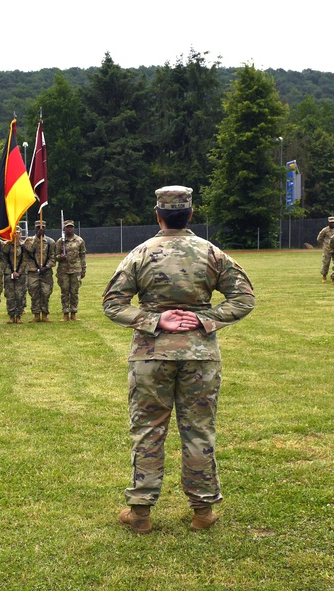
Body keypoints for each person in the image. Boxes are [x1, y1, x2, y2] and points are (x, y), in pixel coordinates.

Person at [103, 185, 255, 533]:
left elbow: (113, 304)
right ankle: (203, 512)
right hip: (200, 356)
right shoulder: (210, 253)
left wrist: (154, 320)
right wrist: (205, 319)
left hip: (150, 355)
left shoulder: (140, 254)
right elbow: (244, 298)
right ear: (190, 214)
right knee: (198, 430)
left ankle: (140, 513)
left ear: (158, 215)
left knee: (148, 430)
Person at [22, 220, 56, 322]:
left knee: (46, 293)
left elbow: (53, 258)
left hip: (46, 272)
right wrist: (37, 237)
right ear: (35, 228)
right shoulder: (28, 240)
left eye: (42, 227)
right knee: (34, 293)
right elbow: (30, 249)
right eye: (38, 227)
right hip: (33, 271)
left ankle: (45, 314)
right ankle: (36, 314)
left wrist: (47, 266)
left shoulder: (51, 242)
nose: (40, 229)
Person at [56, 220, 86, 321]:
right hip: (63, 270)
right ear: (64, 228)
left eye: (71, 227)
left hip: (75, 269)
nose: (69, 229)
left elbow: (82, 255)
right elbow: (54, 256)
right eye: (67, 227)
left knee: (74, 292)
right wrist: (60, 257)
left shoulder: (79, 240)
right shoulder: (60, 241)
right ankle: (65, 313)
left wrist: (83, 269)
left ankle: (73, 312)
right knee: (64, 292)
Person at [1, 229, 28, 324]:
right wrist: (10, 241)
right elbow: (4, 252)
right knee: (10, 295)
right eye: (14, 233)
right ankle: (11, 315)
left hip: (20, 273)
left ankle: (19, 315)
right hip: (9, 272)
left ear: (21, 234)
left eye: (18, 233)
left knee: (20, 294)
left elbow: (25, 260)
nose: (16, 234)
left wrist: (19, 271)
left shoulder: (23, 245)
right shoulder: (6, 244)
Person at [316, 217, 334, 283]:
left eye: (333, 222)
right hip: (327, 249)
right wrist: (324, 245)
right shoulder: (325, 230)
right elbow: (319, 238)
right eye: (331, 222)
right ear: (328, 222)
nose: (332, 223)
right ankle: (324, 276)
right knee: (326, 263)